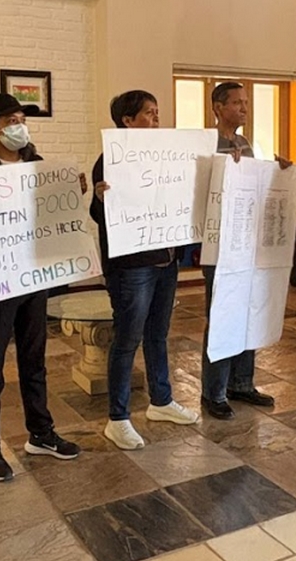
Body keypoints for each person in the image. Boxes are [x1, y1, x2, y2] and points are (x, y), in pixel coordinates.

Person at [0, 92, 82, 481]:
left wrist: (73, 192)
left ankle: (40, 431)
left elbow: (54, 211)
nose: (18, 127)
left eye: (22, 119)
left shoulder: (37, 165)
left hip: (32, 275)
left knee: (34, 358)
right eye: (10, 121)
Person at [90, 90, 199, 450]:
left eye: (157, 113)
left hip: (166, 259)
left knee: (158, 334)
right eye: (148, 114)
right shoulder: (110, 161)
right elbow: (98, 213)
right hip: (131, 266)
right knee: (127, 339)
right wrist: (100, 198)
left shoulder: (166, 159)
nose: (155, 120)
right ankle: (118, 418)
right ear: (127, 121)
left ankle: (161, 400)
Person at [200, 82, 282, 420]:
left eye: (246, 102)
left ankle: (242, 383)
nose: (244, 108)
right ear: (218, 107)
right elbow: (203, 188)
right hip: (219, 242)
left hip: (248, 241)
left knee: (247, 310)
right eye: (236, 103)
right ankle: (214, 391)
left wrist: (279, 172)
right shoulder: (207, 144)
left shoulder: (247, 144)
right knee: (222, 314)